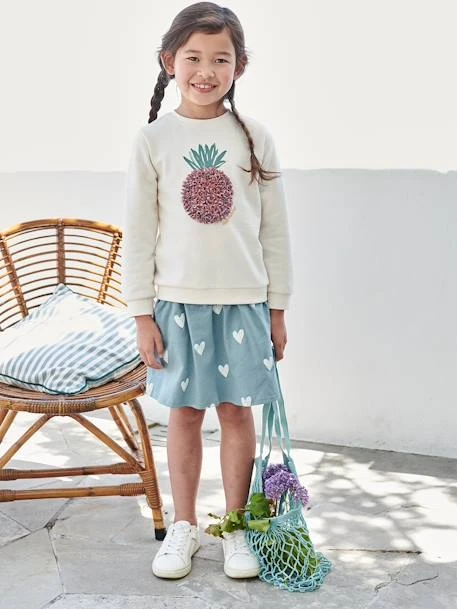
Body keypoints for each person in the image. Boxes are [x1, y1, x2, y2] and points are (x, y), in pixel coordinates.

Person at [122, 1, 293, 581]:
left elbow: (274, 232)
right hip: (176, 304)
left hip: (245, 301)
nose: (206, 70)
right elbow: (139, 233)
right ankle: (185, 526)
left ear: (239, 67)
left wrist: (277, 310)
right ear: (169, 61)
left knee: (237, 411)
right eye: (193, 57)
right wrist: (142, 315)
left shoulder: (255, 137)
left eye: (221, 59)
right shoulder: (153, 140)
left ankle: (237, 526)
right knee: (186, 414)